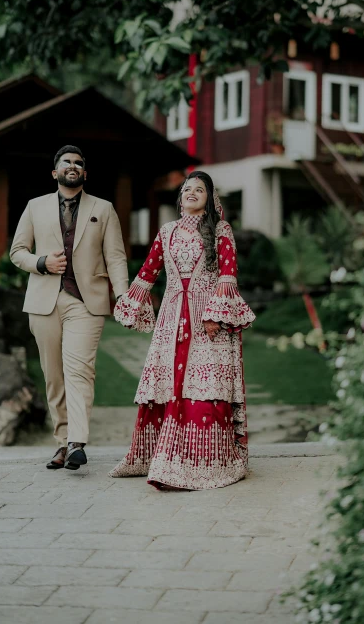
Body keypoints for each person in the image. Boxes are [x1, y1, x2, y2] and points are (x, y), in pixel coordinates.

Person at [110, 170, 255, 490]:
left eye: (199, 189)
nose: (191, 192)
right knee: (167, 387)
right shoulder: (167, 231)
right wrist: (130, 302)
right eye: (186, 189)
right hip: (172, 318)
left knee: (205, 389)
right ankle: (161, 460)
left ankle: (205, 462)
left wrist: (216, 313)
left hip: (208, 319)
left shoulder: (221, 230)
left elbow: (228, 275)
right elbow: (149, 271)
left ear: (209, 198)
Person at [10, 145, 128, 470]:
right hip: (43, 301)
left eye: (78, 163)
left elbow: (115, 256)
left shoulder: (103, 209)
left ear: (84, 173)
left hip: (86, 301)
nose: (72, 167)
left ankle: (77, 441)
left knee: (80, 369)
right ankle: (61, 443)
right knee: (53, 375)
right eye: (67, 163)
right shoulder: (35, 207)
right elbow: (17, 250)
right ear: (55, 172)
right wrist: (42, 262)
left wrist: (123, 294)